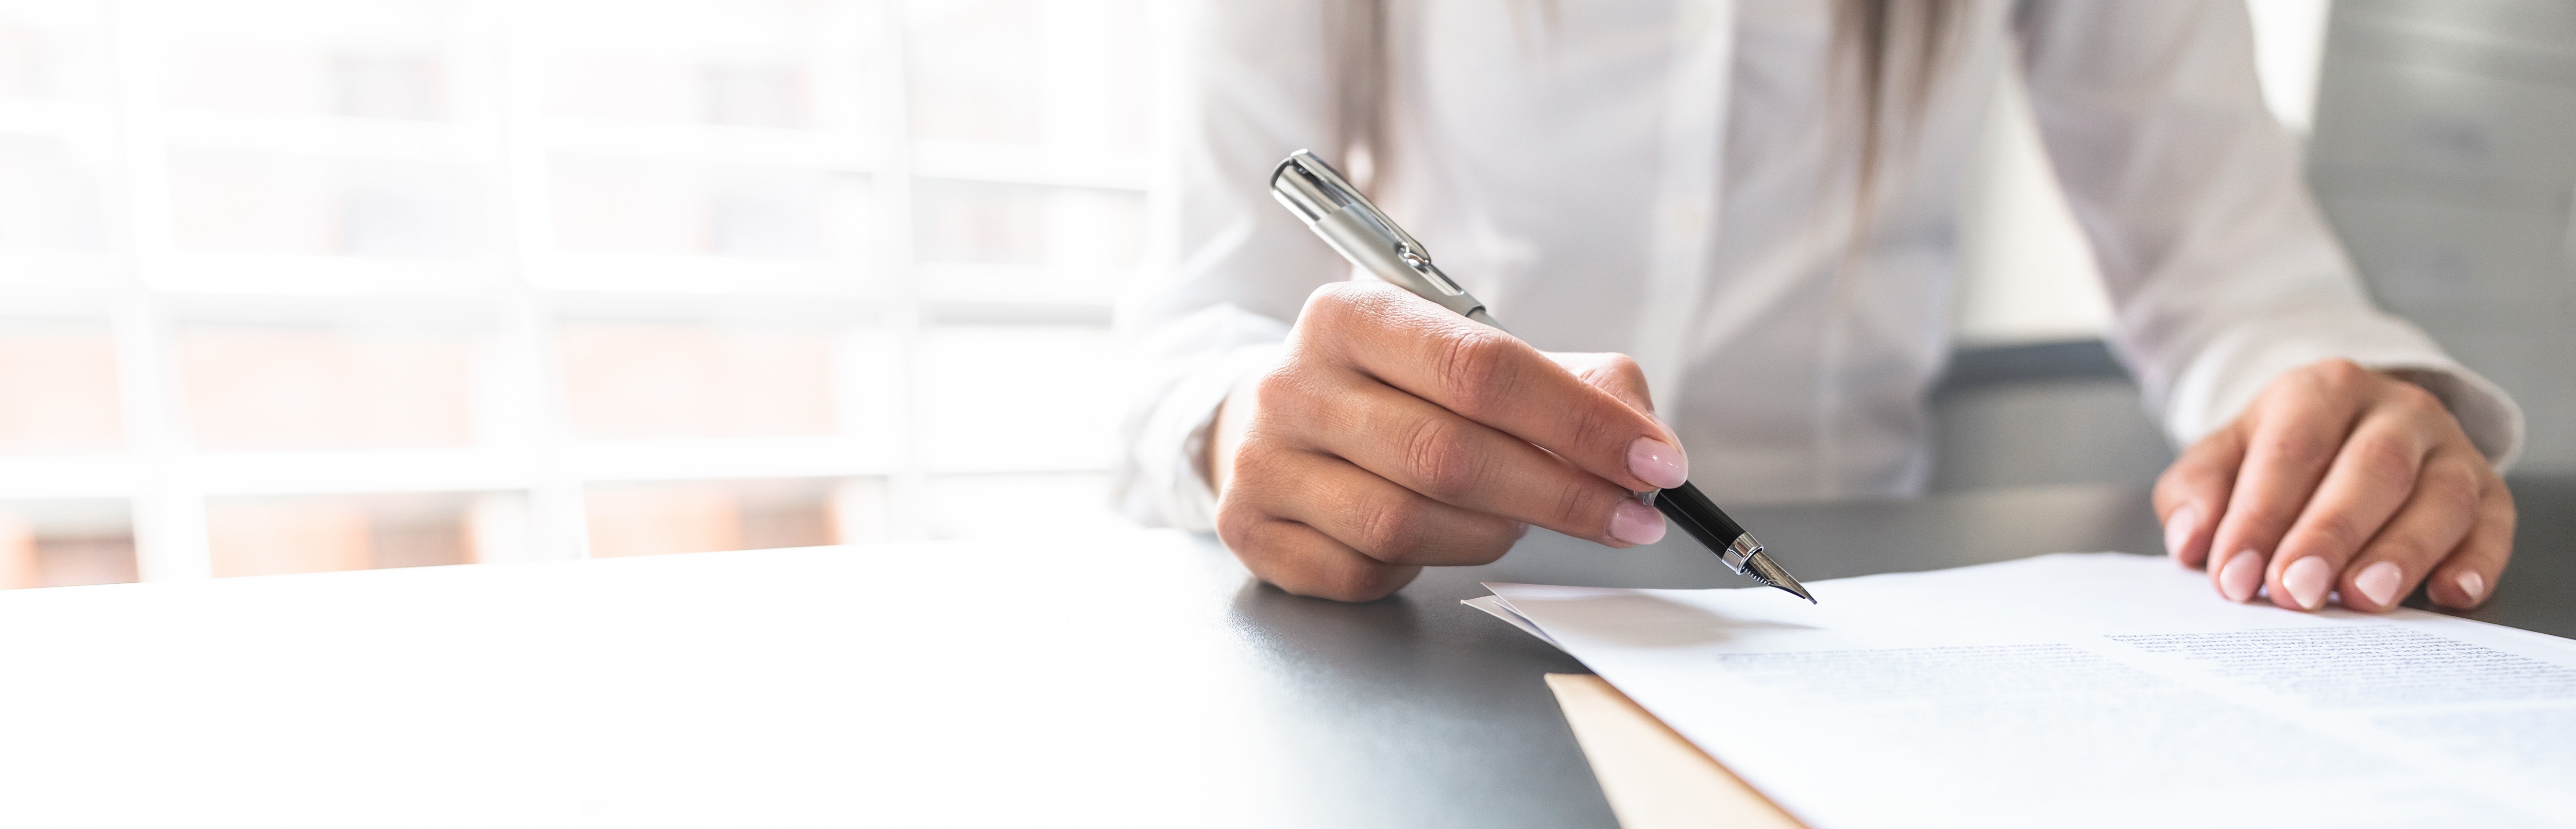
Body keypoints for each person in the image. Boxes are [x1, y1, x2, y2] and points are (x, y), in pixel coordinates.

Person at [1112, 1, 2523, 610]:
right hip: (1418, 606)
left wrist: (2337, 414)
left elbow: (2228, 260)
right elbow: (1188, 335)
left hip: (1848, 621)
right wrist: (1250, 422)